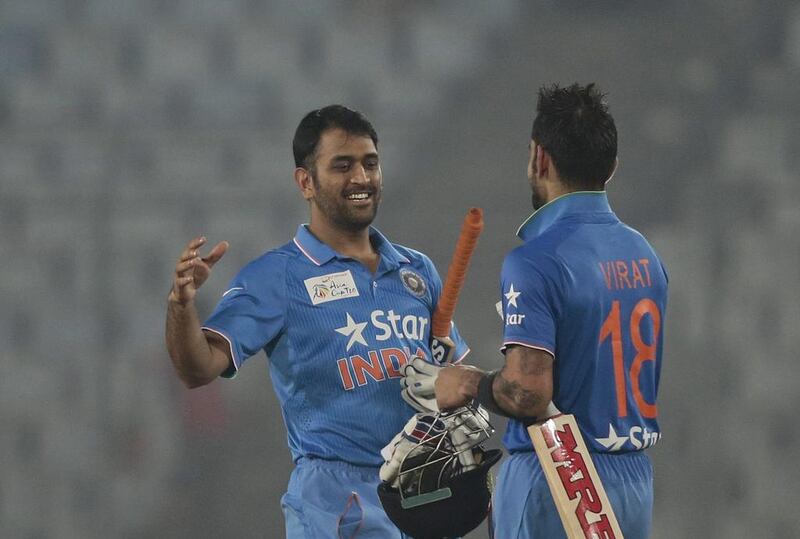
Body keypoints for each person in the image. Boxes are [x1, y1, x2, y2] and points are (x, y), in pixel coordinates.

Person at [165, 104, 469, 538]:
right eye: (342, 166)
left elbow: (450, 374)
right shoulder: (278, 276)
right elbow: (197, 369)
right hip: (337, 503)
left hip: (420, 493)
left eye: (370, 163)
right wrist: (180, 305)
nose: (362, 178)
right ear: (305, 181)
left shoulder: (416, 271)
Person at [429, 83, 668, 538]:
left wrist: (463, 382)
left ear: (540, 158)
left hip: (560, 477)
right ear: (612, 166)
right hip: (634, 484)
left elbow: (526, 393)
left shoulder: (536, 259)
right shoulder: (646, 256)